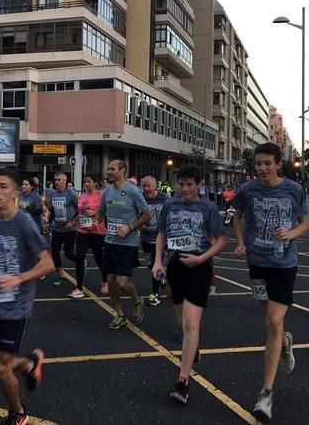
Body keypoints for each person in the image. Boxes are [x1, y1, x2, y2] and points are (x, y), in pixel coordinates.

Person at [0, 167, 54, 425]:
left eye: (3, 186)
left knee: (3, 368)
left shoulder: (24, 223)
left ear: (16, 193)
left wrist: (19, 278)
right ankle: (29, 363)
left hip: (17, 304)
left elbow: (47, 264)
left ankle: (19, 414)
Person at [232, 142, 309, 422]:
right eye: (258, 164)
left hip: (284, 263)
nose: (262, 168)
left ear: (279, 164)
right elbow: (237, 218)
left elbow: (305, 222)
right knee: (269, 320)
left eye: (267, 163)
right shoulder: (247, 191)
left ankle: (266, 394)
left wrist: (291, 234)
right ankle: (286, 342)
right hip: (257, 261)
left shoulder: (293, 189)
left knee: (274, 321)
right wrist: (240, 243)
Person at [152, 163, 227, 404]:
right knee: (181, 323)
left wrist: (202, 258)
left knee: (191, 322)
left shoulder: (208, 208)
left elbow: (221, 241)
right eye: (181, 184)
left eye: (189, 185)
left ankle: (183, 380)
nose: (184, 189)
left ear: (199, 185)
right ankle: (192, 351)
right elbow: (161, 234)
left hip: (200, 267)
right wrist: (157, 262)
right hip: (175, 265)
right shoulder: (170, 205)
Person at [96, 160, 151, 329]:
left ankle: (136, 300)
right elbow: (101, 212)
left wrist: (130, 227)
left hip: (128, 243)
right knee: (111, 281)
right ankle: (119, 314)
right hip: (110, 242)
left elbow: (147, 215)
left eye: (112, 169)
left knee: (122, 282)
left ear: (122, 170)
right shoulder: (106, 192)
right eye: (109, 168)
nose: (109, 171)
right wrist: (92, 219)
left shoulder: (133, 192)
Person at [70, 173, 107, 298]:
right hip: (83, 231)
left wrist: (94, 212)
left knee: (99, 258)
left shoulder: (101, 195)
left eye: (89, 182)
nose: (86, 184)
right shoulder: (82, 196)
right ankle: (79, 287)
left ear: (95, 183)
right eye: (85, 182)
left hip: (97, 231)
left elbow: (105, 211)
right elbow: (80, 212)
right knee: (80, 257)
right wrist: (73, 221)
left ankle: (105, 281)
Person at [141, 175, 170, 306]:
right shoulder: (140, 197)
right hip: (145, 238)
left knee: (155, 265)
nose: (146, 189)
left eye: (149, 186)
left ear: (155, 186)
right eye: (144, 186)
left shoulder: (164, 198)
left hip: (160, 238)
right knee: (149, 265)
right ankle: (162, 277)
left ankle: (155, 294)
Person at [48, 172, 78, 288]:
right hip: (57, 229)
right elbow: (54, 211)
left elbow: (80, 209)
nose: (56, 181)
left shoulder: (71, 193)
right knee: (54, 253)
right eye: (55, 179)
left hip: (69, 229)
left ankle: (81, 261)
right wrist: (49, 223)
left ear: (65, 181)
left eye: (59, 179)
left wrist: (72, 222)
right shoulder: (53, 194)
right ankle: (61, 277)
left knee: (69, 254)